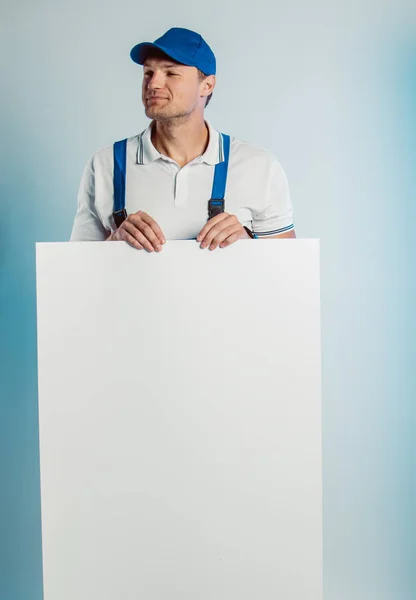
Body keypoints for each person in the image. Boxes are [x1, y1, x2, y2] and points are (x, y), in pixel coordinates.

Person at [70, 27, 296, 252]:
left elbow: (289, 268)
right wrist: (113, 243)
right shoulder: (105, 165)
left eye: (171, 73)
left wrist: (247, 244)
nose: (153, 84)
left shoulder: (258, 166)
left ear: (207, 85)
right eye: (148, 73)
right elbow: (73, 269)